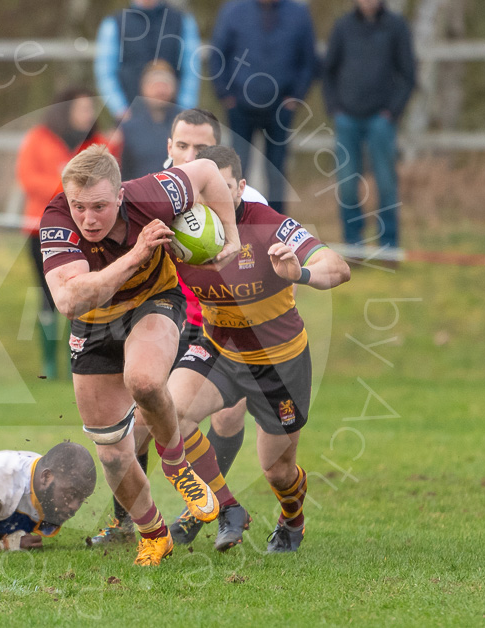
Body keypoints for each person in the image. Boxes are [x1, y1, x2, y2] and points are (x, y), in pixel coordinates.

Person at [39, 145, 241, 565]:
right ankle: (154, 533)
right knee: (113, 453)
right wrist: (137, 254)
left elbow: (204, 171)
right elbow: (68, 300)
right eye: (80, 207)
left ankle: (177, 464)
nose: (89, 218)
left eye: (99, 206)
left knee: (145, 380)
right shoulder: (57, 222)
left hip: (154, 301)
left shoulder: (151, 194)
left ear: (119, 196)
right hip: (92, 321)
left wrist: (233, 235)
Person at [89, 108, 263, 547]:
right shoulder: (154, 192)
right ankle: (126, 522)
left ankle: (208, 511)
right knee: (141, 415)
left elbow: (267, 262)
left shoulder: (245, 200)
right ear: (168, 147)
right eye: (181, 145)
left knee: (228, 413)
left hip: (227, 323)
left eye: (201, 148)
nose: (189, 154)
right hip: (168, 315)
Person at [170, 145, 351, 553]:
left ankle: (292, 520)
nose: (213, 201)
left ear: (241, 188)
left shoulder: (269, 226)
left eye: (224, 188)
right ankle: (227, 507)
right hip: (219, 349)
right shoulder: (181, 231)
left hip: (279, 362)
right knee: (171, 414)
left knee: (277, 470)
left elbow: (338, 267)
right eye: (204, 191)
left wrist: (299, 272)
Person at [16, 87, 113, 380]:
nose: (87, 114)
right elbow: (28, 178)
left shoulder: (99, 145)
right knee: (46, 295)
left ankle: (82, 356)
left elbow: (108, 183)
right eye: (81, 108)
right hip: (40, 231)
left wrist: (73, 191)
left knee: (86, 292)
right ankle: (49, 364)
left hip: (87, 232)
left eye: (89, 109)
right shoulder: (38, 138)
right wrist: (71, 189)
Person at [209, 0, 318, 214]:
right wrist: (226, 94)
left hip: (280, 109)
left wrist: (295, 97)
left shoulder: (298, 14)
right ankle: (234, 220)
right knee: (235, 170)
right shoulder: (233, 11)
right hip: (239, 107)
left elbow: (308, 61)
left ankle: (275, 226)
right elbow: (217, 55)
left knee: (276, 172)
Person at [322, 0, 415, 248]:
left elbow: (408, 75)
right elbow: (328, 71)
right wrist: (336, 109)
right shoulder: (342, 27)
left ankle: (388, 244)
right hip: (347, 120)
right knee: (347, 183)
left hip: (381, 121)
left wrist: (391, 113)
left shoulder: (396, 27)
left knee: (386, 183)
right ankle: (353, 242)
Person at [94, 0, 201, 120]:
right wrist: (120, 109)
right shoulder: (113, 23)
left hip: (174, 117)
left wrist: (184, 108)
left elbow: (191, 69)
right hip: (130, 116)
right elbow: (105, 73)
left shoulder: (183, 21)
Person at [114, 61, 180, 181]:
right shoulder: (128, 127)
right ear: (143, 88)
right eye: (155, 85)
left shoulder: (185, 124)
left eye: (165, 85)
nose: (160, 91)